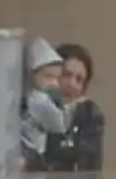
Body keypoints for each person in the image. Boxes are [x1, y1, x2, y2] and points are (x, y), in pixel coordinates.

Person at [43, 43, 105, 171]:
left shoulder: (89, 114)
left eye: (79, 80)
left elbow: (89, 165)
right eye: (66, 75)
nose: (72, 84)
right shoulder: (33, 109)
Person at [19, 37, 70, 172]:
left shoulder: (27, 97)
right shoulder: (41, 100)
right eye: (48, 76)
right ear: (33, 75)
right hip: (33, 152)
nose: (54, 83)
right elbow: (59, 126)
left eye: (57, 78)